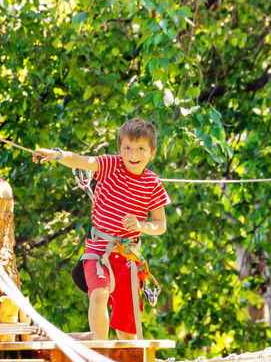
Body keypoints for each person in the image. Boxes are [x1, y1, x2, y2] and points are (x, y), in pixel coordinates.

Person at [33, 118, 170, 340]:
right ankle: (99, 349)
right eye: (127, 148)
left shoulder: (152, 183)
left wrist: (141, 225)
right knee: (98, 294)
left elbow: (160, 225)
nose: (133, 154)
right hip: (98, 251)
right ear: (119, 150)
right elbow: (82, 161)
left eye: (141, 149)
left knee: (126, 326)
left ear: (152, 153)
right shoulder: (110, 165)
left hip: (127, 258)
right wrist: (58, 154)